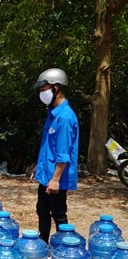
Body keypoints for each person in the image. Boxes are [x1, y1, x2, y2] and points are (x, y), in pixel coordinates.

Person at [31, 68, 79, 244]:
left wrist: (56, 179)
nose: (42, 93)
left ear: (56, 87)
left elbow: (63, 152)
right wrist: (39, 167)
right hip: (47, 174)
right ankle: (43, 244)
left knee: (58, 213)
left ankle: (63, 248)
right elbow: (48, 147)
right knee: (42, 210)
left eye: (44, 89)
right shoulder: (52, 114)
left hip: (55, 177)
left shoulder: (65, 118)